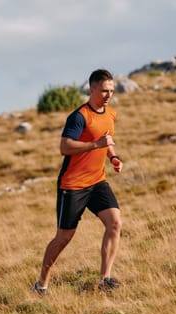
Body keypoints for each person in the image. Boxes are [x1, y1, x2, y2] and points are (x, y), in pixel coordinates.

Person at [34, 69, 123, 295]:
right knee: (64, 237)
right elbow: (65, 147)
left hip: (97, 181)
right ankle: (41, 284)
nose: (108, 95)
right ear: (91, 89)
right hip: (72, 185)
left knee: (114, 223)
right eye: (104, 90)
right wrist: (95, 145)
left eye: (111, 90)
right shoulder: (79, 116)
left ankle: (105, 279)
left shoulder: (110, 114)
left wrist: (112, 157)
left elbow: (107, 140)